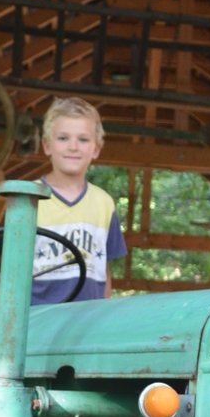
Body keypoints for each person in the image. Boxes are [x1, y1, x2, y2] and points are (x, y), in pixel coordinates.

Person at [31, 95, 126, 305]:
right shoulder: (28, 197)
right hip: (38, 322)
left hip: (87, 321)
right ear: (47, 146)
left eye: (83, 140)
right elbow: (13, 268)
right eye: (63, 138)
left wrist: (104, 314)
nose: (73, 147)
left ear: (96, 149)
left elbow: (104, 269)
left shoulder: (104, 203)